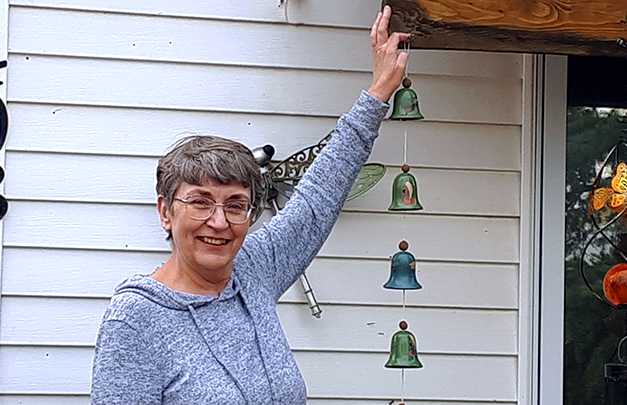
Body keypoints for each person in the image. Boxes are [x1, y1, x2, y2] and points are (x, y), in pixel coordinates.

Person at [90, 6, 410, 404]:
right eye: (200, 202)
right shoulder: (135, 321)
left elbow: (318, 198)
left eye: (236, 204)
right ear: (165, 211)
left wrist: (377, 94)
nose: (219, 222)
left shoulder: (252, 271)